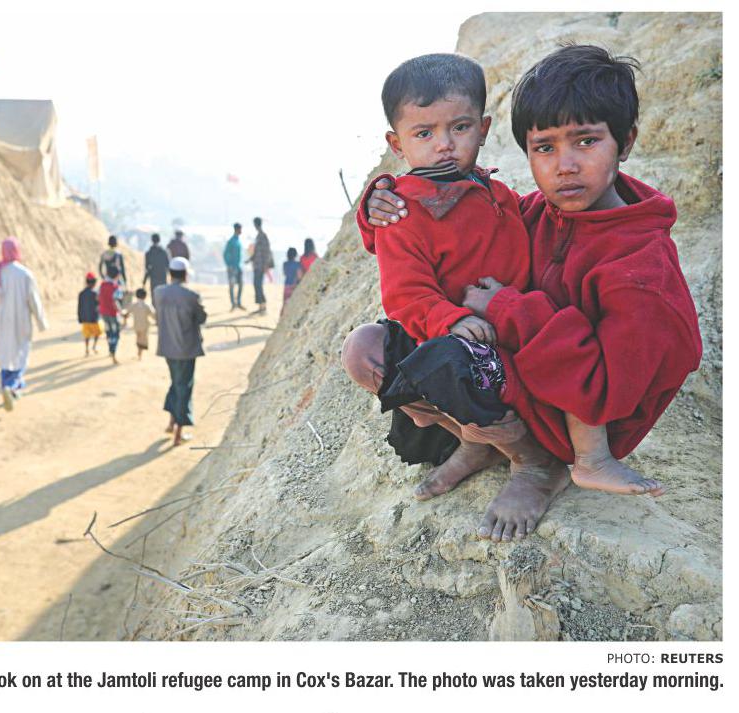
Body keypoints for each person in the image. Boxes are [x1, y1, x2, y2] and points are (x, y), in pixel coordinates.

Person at [347, 45, 702, 542]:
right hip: (516, 381)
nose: (565, 166)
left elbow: (605, 393)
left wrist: (507, 309)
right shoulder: (533, 211)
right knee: (367, 348)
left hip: (580, 426)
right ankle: (479, 439)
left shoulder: (640, 270)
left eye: (586, 141)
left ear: (625, 142)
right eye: (544, 148)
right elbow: (453, 230)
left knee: (447, 361)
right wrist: (382, 208)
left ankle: (537, 466)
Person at [0, 237, 47, 412]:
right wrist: (41, 322)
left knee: (5, 358)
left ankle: (8, 387)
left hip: (2, 324)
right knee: (21, 356)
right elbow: (34, 300)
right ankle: (11, 386)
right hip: (21, 322)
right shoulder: (25, 274)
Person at [154, 256, 207, 446]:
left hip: (167, 348)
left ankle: (171, 422)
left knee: (176, 382)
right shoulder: (191, 296)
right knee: (184, 387)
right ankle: (178, 433)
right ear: (185, 274)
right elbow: (201, 318)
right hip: (186, 349)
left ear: (170, 273)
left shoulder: (159, 292)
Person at [247, 216, 274, 314]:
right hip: (257, 265)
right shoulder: (259, 236)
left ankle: (263, 306)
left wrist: (265, 265)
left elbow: (266, 252)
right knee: (257, 285)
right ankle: (261, 306)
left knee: (258, 285)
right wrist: (250, 259)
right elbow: (257, 252)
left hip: (261, 266)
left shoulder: (262, 236)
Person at [98, 266, 124, 364]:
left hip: (103, 312)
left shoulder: (102, 285)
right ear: (117, 275)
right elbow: (116, 302)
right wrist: (121, 312)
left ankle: (110, 349)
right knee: (115, 333)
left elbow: (98, 297)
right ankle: (113, 351)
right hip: (113, 313)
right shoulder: (116, 287)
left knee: (108, 331)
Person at [123, 287, 155, 360]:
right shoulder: (147, 305)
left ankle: (139, 353)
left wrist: (125, 320)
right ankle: (139, 354)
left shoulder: (134, 305)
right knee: (143, 340)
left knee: (138, 338)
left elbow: (127, 312)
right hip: (145, 326)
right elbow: (153, 314)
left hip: (136, 325)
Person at [143, 233, 169, 308]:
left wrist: (144, 280)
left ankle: (156, 313)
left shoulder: (149, 253)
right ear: (159, 240)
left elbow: (147, 268)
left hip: (153, 278)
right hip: (163, 277)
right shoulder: (164, 252)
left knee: (154, 298)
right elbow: (167, 266)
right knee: (163, 297)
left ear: (152, 240)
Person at [78, 272, 101, 356]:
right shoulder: (95, 294)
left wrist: (80, 317)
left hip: (85, 318)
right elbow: (99, 304)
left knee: (87, 335)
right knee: (97, 333)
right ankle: (94, 346)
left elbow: (79, 306)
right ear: (94, 283)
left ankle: (87, 349)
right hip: (94, 318)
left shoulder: (81, 293)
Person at [223, 222, 245, 310]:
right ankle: (233, 304)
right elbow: (225, 254)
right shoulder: (231, 241)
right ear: (237, 229)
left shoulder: (238, 241)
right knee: (232, 286)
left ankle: (238, 302)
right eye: (240, 229)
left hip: (239, 267)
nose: (241, 231)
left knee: (241, 285)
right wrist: (229, 264)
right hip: (232, 267)